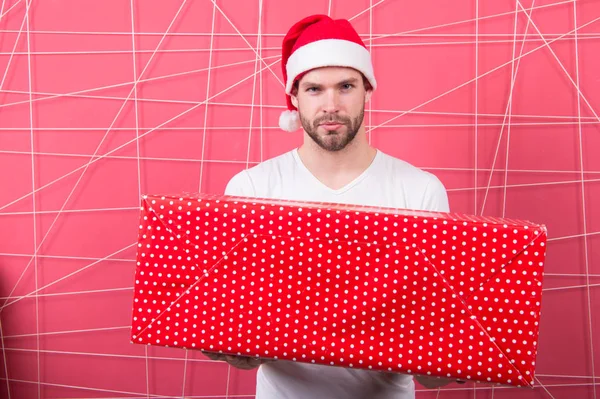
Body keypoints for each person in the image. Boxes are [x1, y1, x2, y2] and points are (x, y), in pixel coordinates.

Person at [204, 14, 456, 399]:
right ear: (294, 97)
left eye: (346, 86)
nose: (331, 105)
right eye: (315, 89)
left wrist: (451, 361)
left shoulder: (420, 192)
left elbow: (434, 357)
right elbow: (241, 335)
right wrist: (231, 347)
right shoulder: (253, 188)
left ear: (368, 90)